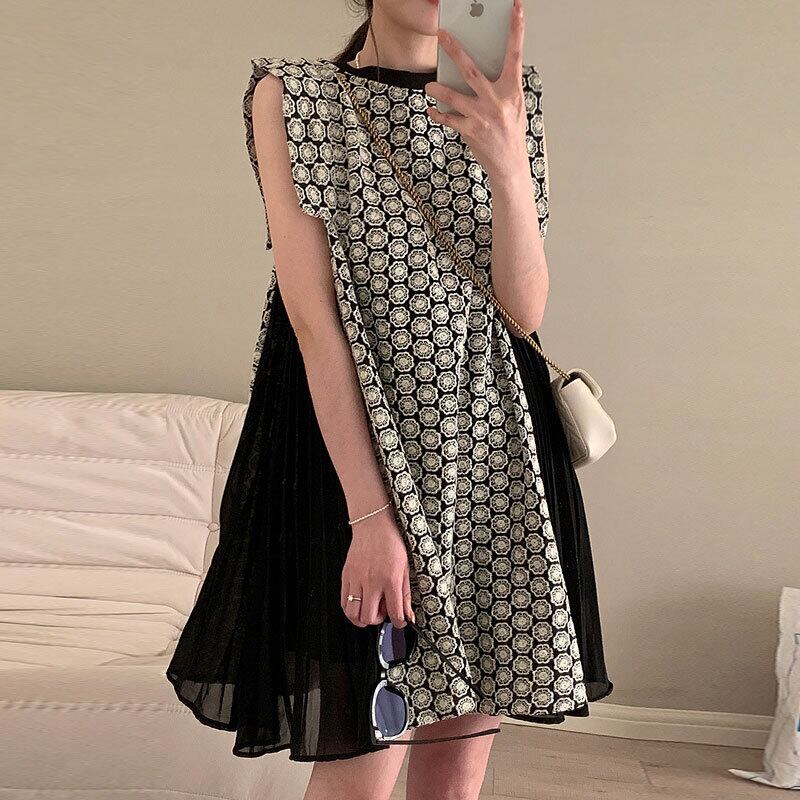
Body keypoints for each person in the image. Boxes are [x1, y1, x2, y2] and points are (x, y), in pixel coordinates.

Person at [166, 0, 613, 797]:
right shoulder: (293, 94)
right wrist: (371, 517)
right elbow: (313, 322)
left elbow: (523, 311)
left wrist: (507, 160)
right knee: (359, 777)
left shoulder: (510, 96)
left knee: (455, 780)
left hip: (489, 451)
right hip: (355, 458)